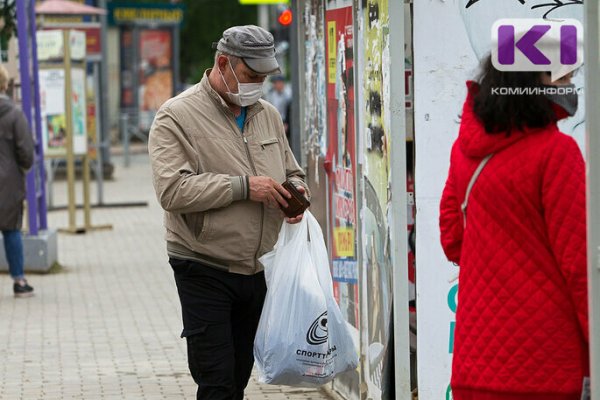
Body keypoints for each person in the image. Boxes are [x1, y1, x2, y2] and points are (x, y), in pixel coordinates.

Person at [148, 25, 309, 400]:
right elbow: (173, 191)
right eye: (252, 76)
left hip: (258, 267)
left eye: (265, 78)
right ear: (223, 64)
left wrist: (297, 195)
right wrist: (244, 186)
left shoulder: (266, 114)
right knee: (216, 379)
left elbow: (293, 172)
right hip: (204, 265)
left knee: (237, 375)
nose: (259, 85)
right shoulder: (176, 116)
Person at [439, 56, 588, 400]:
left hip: (473, 364)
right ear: (532, 79)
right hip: (546, 369)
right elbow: (581, 269)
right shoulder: (557, 153)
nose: (569, 86)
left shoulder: (465, 152)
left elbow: (451, 237)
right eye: (562, 77)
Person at [0, 65, 35, 298]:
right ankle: (19, 281)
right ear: (5, 84)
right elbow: (26, 153)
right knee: (11, 230)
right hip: (8, 181)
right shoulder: (14, 114)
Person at [265, 75, 291, 139]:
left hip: (284, 121)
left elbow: (288, 110)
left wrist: (286, 123)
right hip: (273, 121)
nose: (278, 85)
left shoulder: (287, 95)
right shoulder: (270, 95)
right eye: (276, 83)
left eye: (280, 83)